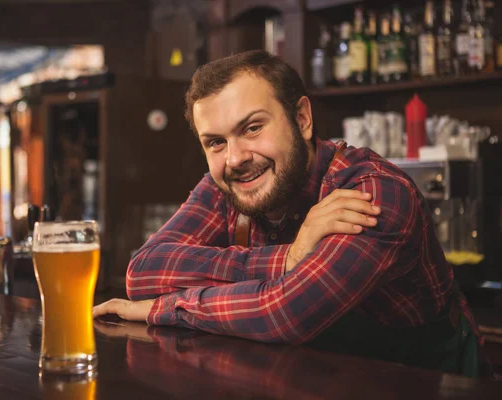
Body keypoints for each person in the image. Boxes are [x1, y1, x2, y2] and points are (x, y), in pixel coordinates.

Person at [93, 50, 481, 376]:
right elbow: (142, 272)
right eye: (215, 142)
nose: (234, 158)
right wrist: (288, 259)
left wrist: (165, 308)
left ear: (302, 119)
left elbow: (286, 313)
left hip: (423, 383)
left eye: (252, 128)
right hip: (313, 380)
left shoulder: (374, 193)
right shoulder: (225, 183)